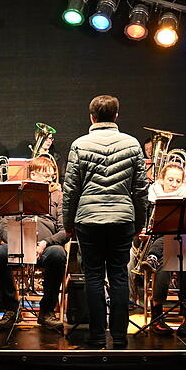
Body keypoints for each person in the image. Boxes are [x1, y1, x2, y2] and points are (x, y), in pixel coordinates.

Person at [63, 95, 147, 348]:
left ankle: (98, 336)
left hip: (89, 219)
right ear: (116, 116)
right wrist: (139, 223)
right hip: (122, 218)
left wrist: (68, 223)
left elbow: (70, 190)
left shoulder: (79, 145)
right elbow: (140, 190)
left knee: (93, 277)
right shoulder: (132, 144)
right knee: (119, 276)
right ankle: (120, 337)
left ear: (92, 117)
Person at [0, 157, 68, 331]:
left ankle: (47, 311)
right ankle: (11, 308)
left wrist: (45, 242)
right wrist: (18, 242)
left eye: (52, 176)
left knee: (58, 254)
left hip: (46, 246)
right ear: (33, 175)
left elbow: (65, 230)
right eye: (45, 176)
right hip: (18, 243)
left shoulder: (58, 196)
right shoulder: (16, 194)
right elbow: (3, 226)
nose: (50, 180)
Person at [144, 162, 186, 336]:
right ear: (161, 180)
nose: (174, 184)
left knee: (183, 256)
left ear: (184, 182)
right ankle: (167, 317)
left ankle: (180, 317)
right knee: (171, 260)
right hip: (161, 243)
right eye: (170, 180)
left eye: (178, 181)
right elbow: (146, 229)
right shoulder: (150, 198)